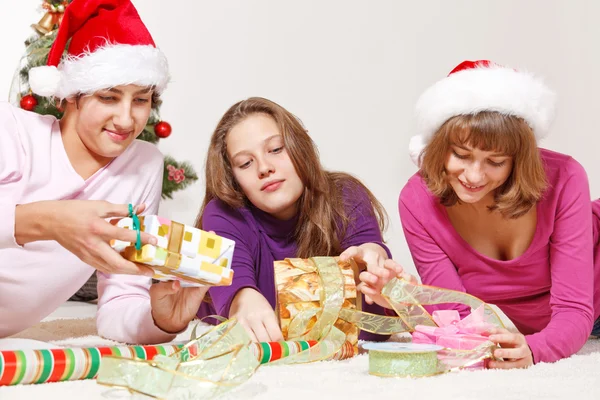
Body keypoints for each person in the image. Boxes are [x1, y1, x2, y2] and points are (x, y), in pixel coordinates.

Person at [360, 60, 600, 368]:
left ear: (518, 159)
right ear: (438, 146)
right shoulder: (417, 200)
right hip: (530, 325)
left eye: (496, 161)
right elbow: (459, 314)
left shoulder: (565, 177)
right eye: (461, 155)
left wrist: (536, 349)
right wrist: (406, 299)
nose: (474, 176)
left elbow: (573, 309)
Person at [0, 0, 205, 344]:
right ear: (69, 97)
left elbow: (122, 295)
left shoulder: (143, 166)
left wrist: (160, 320)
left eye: (141, 100)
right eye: (109, 97)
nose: (127, 120)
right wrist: (48, 221)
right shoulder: (12, 131)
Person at [194, 97, 408, 342]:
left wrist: (372, 260)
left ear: (301, 146)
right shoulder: (224, 213)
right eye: (245, 163)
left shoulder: (346, 196)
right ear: (233, 179)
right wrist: (242, 300)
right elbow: (240, 304)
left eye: (276, 149)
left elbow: (372, 327)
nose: (264, 167)